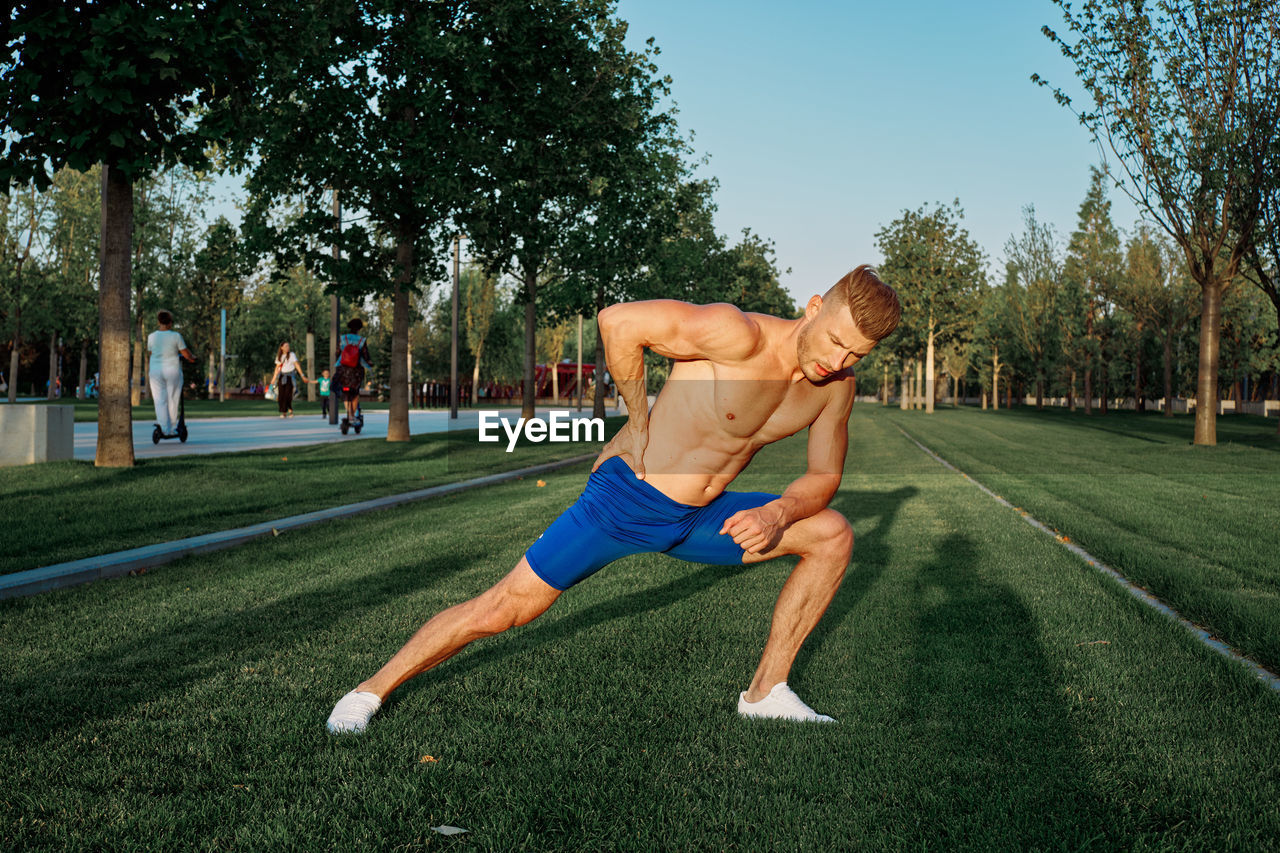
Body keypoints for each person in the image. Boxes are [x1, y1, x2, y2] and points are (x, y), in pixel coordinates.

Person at [326, 266, 901, 733]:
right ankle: (369, 691)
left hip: (700, 515)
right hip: (625, 501)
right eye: (835, 341)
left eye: (856, 354)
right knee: (503, 610)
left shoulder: (835, 389)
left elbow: (824, 474)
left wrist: (778, 511)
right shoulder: (738, 335)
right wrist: (637, 409)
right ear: (814, 305)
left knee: (831, 533)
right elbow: (619, 322)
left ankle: (766, 692)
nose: (839, 361)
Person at [146, 310, 196, 436]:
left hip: (155, 371)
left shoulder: (151, 337)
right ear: (170, 323)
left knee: (159, 400)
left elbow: (151, 353)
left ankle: (163, 428)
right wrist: (192, 358)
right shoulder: (176, 336)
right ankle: (173, 428)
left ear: (158, 322)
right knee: (172, 398)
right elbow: (185, 354)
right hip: (172, 370)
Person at [331, 318, 372, 425]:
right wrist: (370, 363)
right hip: (356, 371)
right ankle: (352, 417)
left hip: (343, 370)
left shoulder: (343, 338)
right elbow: (365, 355)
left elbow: (337, 353)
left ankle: (349, 414)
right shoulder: (361, 340)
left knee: (345, 392)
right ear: (359, 328)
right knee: (354, 393)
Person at [269, 341, 310, 418]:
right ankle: (284, 412)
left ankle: (290, 410)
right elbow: (277, 368)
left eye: (288, 346)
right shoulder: (279, 356)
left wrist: (302, 375)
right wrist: (273, 378)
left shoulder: (292, 355)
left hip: (290, 377)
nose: (287, 347)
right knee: (281, 395)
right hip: (281, 376)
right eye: (286, 346)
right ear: (281, 347)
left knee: (288, 395)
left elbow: (297, 365)